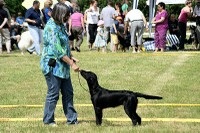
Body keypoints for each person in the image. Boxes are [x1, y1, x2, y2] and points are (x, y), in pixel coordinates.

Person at [40, 3, 80, 127]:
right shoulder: (51, 28)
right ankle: (48, 120)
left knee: (68, 92)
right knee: (53, 93)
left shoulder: (61, 25)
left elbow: (64, 45)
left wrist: (71, 56)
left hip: (63, 65)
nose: (68, 17)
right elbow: (57, 50)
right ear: (59, 14)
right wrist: (72, 64)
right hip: (53, 66)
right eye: (66, 15)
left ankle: (72, 119)